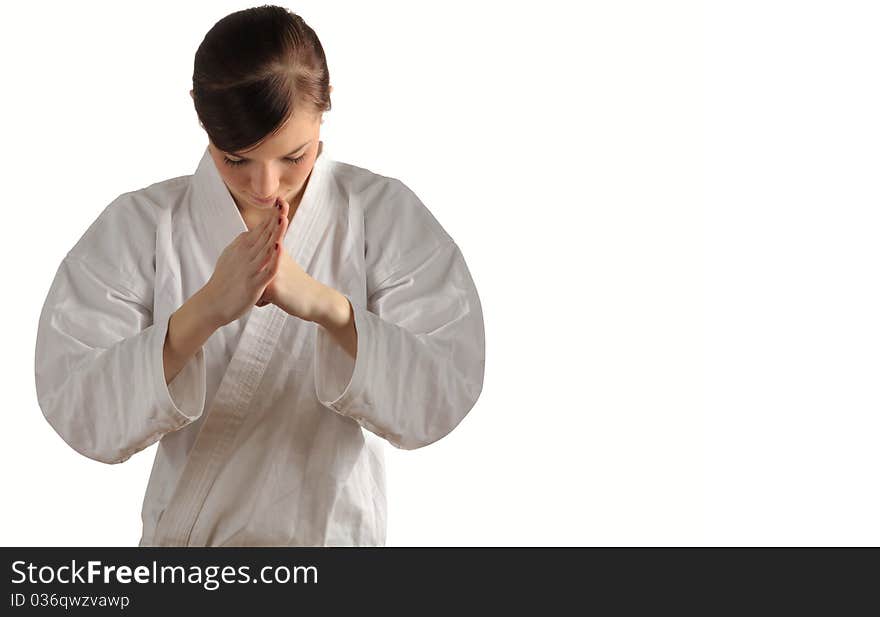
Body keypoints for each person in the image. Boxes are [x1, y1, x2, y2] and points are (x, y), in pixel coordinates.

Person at [34, 6, 485, 546]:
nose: (266, 185)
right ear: (204, 122)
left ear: (326, 106)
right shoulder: (140, 225)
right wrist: (202, 313)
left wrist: (327, 307)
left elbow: (442, 391)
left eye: (292, 157)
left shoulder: (383, 215)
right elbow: (78, 407)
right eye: (236, 160)